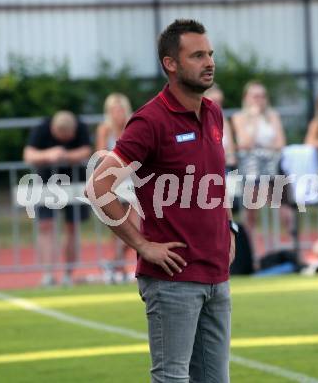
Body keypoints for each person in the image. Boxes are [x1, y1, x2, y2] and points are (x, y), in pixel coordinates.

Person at [86, 19, 236, 382]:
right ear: (171, 64)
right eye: (197, 55)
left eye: (210, 54)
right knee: (172, 378)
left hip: (217, 273)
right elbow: (98, 187)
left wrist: (229, 227)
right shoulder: (149, 121)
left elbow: (215, 180)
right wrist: (141, 245)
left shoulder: (213, 112)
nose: (209, 62)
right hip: (173, 278)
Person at [24, 110, 92, 286]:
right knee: (45, 226)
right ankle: (48, 274)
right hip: (46, 182)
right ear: (53, 129)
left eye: (66, 137)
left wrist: (65, 156)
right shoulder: (42, 127)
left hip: (75, 182)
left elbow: (87, 150)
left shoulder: (80, 126)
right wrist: (49, 155)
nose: (63, 140)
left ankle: (69, 274)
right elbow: (29, 155)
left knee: (72, 227)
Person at [231, 81, 287, 256]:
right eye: (255, 96)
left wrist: (262, 146)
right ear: (246, 98)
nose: (259, 100)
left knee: (280, 208)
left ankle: (276, 249)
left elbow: (280, 143)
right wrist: (254, 120)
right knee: (251, 212)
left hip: (271, 167)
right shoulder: (239, 117)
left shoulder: (273, 116)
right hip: (250, 169)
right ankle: (252, 252)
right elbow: (245, 143)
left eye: (262, 96)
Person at [96, 93, 137, 283]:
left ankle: (114, 263)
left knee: (135, 224)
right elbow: (101, 154)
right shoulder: (105, 129)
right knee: (118, 224)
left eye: (120, 109)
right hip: (113, 182)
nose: (118, 114)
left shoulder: (132, 126)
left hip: (133, 181)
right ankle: (118, 267)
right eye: (114, 110)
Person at [204, 84, 236, 170]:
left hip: (225, 166)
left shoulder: (223, 120)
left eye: (219, 102)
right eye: (214, 101)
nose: (217, 106)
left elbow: (231, 149)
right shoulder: (199, 121)